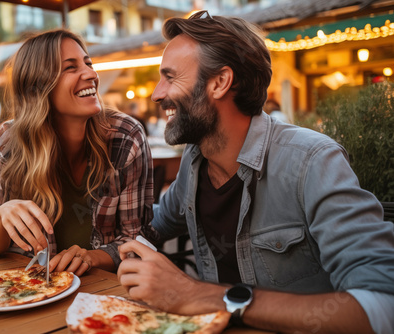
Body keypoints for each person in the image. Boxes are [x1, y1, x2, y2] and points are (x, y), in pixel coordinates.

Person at [117, 11, 394, 334]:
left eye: (170, 77)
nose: (157, 93)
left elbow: (382, 306)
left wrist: (200, 296)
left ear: (219, 82)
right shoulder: (196, 162)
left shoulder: (312, 161)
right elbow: (153, 224)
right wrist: (91, 246)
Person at [0, 29, 156, 277]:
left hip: (103, 290)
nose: (92, 74)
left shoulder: (125, 136)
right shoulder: (12, 140)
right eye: (71, 68)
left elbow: (137, 239)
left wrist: (90, 258)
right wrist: (2, 214)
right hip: (30, 286)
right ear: (38, 88)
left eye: (88, 63)